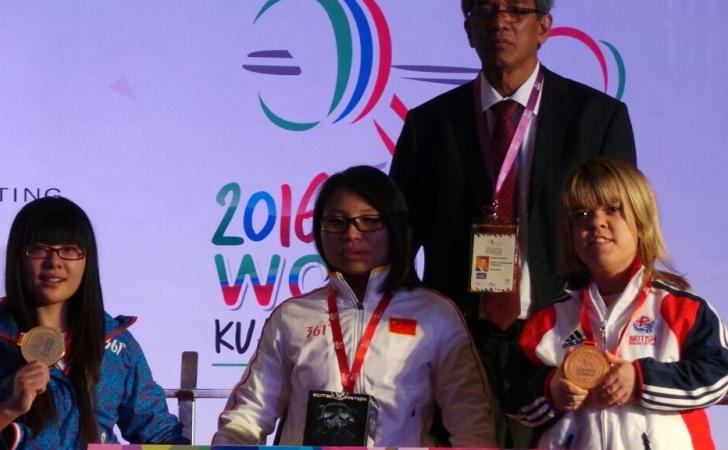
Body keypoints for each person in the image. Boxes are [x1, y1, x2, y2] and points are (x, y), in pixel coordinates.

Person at [389, 0, 636, 446]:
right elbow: (398, 244)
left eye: (515, 10)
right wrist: (413, 332)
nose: (499, 22)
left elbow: (621, 237)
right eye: (484, 10)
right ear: (468, 29)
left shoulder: (597, 118)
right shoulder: (428, 125)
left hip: (559, 337)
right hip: (456, 340)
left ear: (544, 27)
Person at [211, 165, 496, 447]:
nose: (351, 234)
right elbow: (248, 416)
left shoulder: (435, 315)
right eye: (336, 221)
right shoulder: (292, 316)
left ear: (396, 227)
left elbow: (471, 424)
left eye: (370, 220)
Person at [500, 158, 728, 449]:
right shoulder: (548, 321)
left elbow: (720, 376)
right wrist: (550, 390)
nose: (596, 222)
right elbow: (510, 396)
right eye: (581, 214)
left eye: (612, 209)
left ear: (642, 222)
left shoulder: (683, 312)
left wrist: (641, 379)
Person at [0, 197, 187, 449]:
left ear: (87, 260)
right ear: (18, 258)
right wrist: (10, 407)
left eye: (70, 250)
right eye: (39, 249)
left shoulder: (115, 343)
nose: (55, 263)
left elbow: (159, 434)